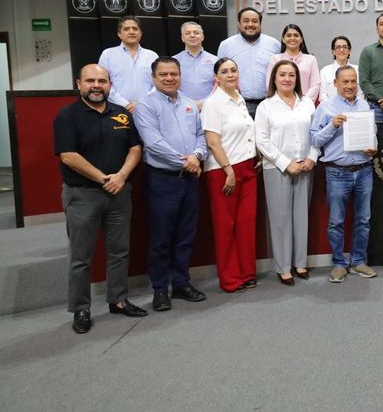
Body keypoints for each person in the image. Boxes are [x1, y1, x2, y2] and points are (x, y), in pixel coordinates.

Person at [53, 64, 146, 334]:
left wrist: (121, 176)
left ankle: (118, 300)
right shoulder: (67, 115)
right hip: (83, 195)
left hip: (119, 193)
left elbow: (135, 148)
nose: (96, 85)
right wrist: (104, 179)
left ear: (109, 85)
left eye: (102, 81)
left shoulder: (121, 114)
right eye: (90, 80)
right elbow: (68, 155)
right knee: (81, 256)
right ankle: (80, 309)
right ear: (79, 84)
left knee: (119, 251)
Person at [133, 57, 209, 311]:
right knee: (161, 238)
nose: (169, 78)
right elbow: (153, 143)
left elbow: (200, 135)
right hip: (162, 181)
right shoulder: (146, 105)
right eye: (163, 74)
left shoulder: (189, 104)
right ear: (153, 77)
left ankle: (180, 283)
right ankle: (159, 289)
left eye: (173, 74)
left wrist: (197, 156)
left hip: (189, 180)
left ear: (180, 76)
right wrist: (186, 162)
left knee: (186, 235)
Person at [310, 66, 378, 283]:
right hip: (338, 173)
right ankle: (339, 263)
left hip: (364, 170)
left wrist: (373, 147)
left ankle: (358, 261)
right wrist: (332, 125)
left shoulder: (364, 105)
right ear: (335, 84)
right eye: (345, 82)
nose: (350, 86)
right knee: (336, 221)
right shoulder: (326, 107)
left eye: (353, 81)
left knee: (363, 220)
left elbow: (373, 133)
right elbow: (315, 139)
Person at [255, 61, 318, 286]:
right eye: (282, 75)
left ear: (297, 79)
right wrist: (285, 163)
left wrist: (312, 157)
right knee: (280, 219)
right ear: (274, 78)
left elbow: (316, 133)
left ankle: (300, 263)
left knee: (301, 217)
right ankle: (283, 267)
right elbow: (261, 140)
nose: (287, 79)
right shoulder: (266, 106)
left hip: (305, 166)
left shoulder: (307, 103)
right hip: (277, 168)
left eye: (291, 75)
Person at [201, 57, 258, 293]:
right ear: (216, 77)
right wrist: (229, 170)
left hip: (247, 168)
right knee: (226, 226)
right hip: (224, 171)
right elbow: (213, 142)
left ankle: (247, 272)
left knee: (246, 224)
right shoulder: (213, 103)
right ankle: (230, 278)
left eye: (233, 70)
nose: (230, 74)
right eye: (224, 71)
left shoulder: (239, 99)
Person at [216, 7, 281, 117]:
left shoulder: (274, 45)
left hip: (270, 103)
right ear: (239, 24)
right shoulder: (226, 45)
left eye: (254, 21)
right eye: (246, 21)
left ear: (260, 24)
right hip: (236, 103)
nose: (250, 24)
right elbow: (219, 77)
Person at [98, 16, 159, 112]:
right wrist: (125, 105)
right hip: (115, 109)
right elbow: (103, 83)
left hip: (147, 109)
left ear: (141, 33)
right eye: (126, 29)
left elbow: (158, 83)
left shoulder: (152, 56)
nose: (131, 32)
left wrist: (141, 104)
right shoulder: (108, 54)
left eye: (135, 29)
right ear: (119, 34)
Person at [267, 24, 321, 103]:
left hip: (305, 104)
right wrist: (281, 102)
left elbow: (315, 85)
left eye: (296, 35)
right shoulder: (275, 59)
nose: (292, 38)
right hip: (279, 103)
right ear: (283, 39)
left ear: (301, 39)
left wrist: (304, 102)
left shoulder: (311, 59)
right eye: (289, 35)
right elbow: (270, 83)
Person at [174, 21, 218, 110]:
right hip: (182, 108)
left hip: (210, 108)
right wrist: (188, 103)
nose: (192, 35)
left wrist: (203, 103)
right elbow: (172, 85)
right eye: (188, 33)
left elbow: (218, 85)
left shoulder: (215, 60)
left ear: (202, 37)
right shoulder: (174, 61)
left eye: (196, 33)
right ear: (182, 38)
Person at [319, 35, 362, 102]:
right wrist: (331, 108)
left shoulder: (358, 70)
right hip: (331, 107)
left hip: (353, 107)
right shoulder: (325, 71)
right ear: (333, 51)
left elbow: (360, 94)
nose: (341, 50)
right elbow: (323, 96)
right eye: (338, 47)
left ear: (349, 51)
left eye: (345, 47)